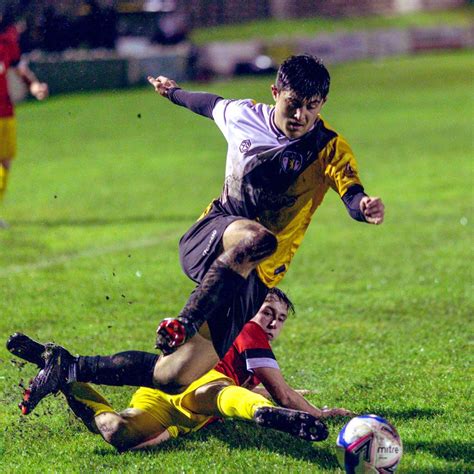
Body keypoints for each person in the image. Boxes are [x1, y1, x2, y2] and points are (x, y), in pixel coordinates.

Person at [18, 54, 384, 408]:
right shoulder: (244, 115)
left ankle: (67, 366)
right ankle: (183, 321)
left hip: (253, 280)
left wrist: (362, 206)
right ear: (275, 93)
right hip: (214, 234)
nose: (301, 115)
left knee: (174, 375)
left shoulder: (328, 147)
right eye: (293, 104)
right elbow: (208, 103)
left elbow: (350, 190)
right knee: (259, 239)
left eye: (312, 106)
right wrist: (173, 92)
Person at [8, 289, 352, 450]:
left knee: (115, 430)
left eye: (279, 318)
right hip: (200, 388)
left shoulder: (232, 336)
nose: (272, 323)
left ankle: (59, 370)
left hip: (163, 398)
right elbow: (283, 392)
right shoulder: (250, 330)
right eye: (267, 312)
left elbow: (264, 386)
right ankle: (264, 415)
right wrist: (318, 414)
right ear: (249, 311)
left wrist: (269, 394)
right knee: (218, 394)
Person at [0, 6, 48, 228]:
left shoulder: (7, 37)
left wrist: (34, 85)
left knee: (5, 163)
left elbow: (19, 67)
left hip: (5, 110)